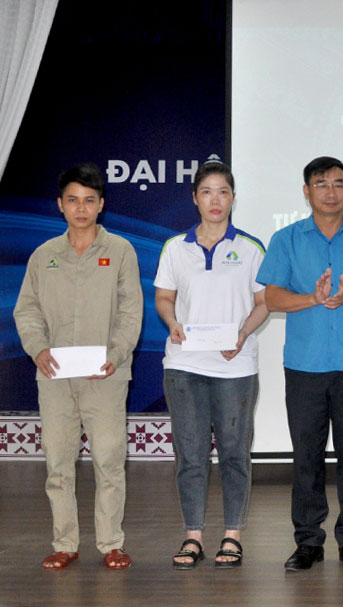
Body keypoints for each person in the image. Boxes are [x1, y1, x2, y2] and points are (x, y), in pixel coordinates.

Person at [257, 156, 343, 571]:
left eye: (339, 183)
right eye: (322, 184)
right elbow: (272, 298)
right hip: (305, 366)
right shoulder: (286, 239)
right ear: (306, 191)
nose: (331, 192)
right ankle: (308, 541)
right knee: (306, 456)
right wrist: (313, 298)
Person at [14, 163, 143, 570]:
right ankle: (65, 543)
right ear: (60, 205)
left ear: (101, 205)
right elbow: (27, 310)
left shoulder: (121, 250)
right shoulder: (43, 255)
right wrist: (37, 349)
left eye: (89, 201)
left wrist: (116, 354)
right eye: (73, 200)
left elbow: (131, 311)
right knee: (58, 461)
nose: (81, 208)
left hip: (105, 374)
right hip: (54, 375)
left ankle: (111, 544)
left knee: (108, 459)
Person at [154, 161, 269, 569]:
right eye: (206, 191)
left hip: (235, 369)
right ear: (194, 198)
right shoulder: (175, 248)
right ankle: (193, 536)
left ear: (233, 197)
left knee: (236, 453)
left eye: (222, 191)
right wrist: (171, 323)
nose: (215, 200)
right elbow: (164, 298)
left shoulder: (252, 248)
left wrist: (242, 334)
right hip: (185, 364)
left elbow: (264, 302)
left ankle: (232, 536)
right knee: (190, 453)